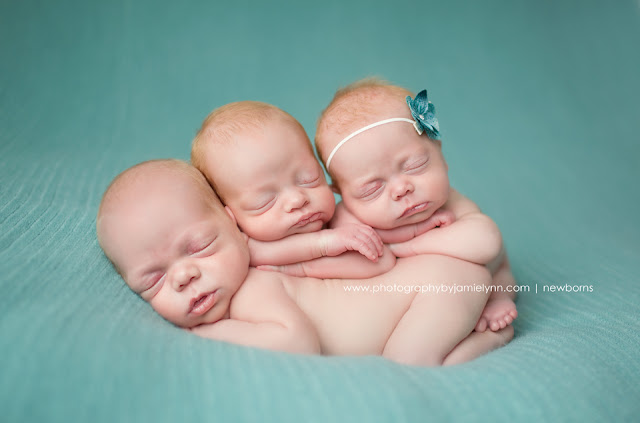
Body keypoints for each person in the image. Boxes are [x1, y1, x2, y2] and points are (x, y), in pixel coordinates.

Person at [96, 159, 513, 366]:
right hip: (434, 286)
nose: (185, 276)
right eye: (152, 281)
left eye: (200, 246)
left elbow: (296, 343)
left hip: (436, 286)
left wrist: (205, 334)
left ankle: (492, 338)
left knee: (406, 367)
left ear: (233, 222)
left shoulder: (255, 285)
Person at [314, 78, 518, 332]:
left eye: (415, 166)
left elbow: (486, 243)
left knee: (499, 277)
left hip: (480, 281)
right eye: (371, 189)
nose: (401, 189)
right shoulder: (348, 219)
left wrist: (406, 244)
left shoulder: (451, 203)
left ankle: (496, 298)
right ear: (342, 194)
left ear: (440, 155)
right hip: (419, 297)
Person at [191, 101, 396, 279]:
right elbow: (254, 253)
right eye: (264, 201)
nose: (297, 200)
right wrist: (324, 244)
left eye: (309, 180)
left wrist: (303, 267)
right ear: (230, 216)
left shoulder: (345, 219)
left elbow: (382, 261)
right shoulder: (243, 247)